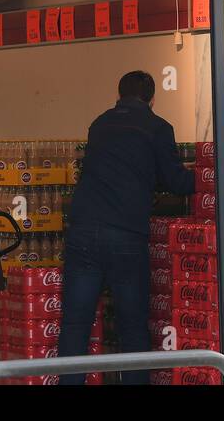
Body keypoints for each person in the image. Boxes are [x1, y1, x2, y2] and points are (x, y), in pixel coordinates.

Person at [56, 70, 195, 384]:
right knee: (132, 327)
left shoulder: (99, 124)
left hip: (83, 230)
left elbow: (116, 166)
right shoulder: (158, 128)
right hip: (125, 235)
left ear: (117, 95)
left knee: (75, 324)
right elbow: (175, 181)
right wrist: (207, 176)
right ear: (152, 99)